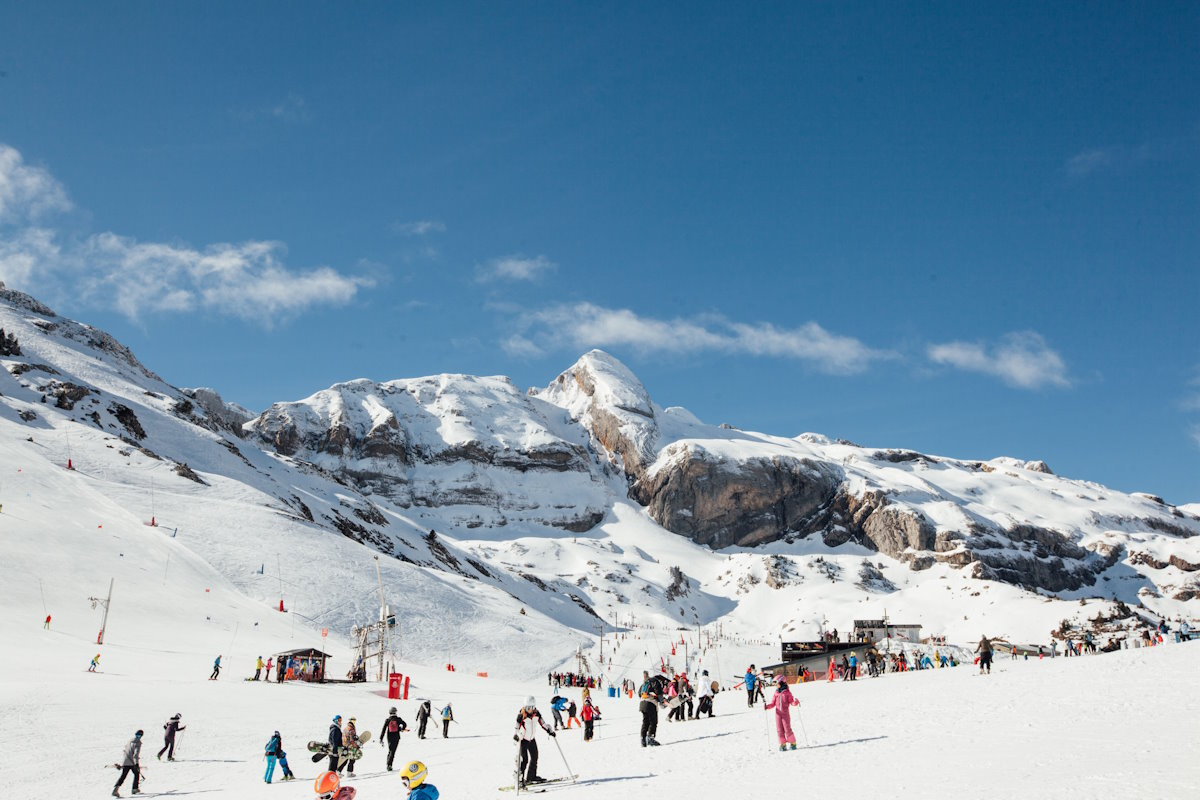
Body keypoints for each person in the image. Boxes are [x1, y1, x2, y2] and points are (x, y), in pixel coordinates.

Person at [514, 696, 556, 788]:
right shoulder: (521, 715)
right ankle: (520, 779)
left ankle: (531, 777)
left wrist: (549, 731)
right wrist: (516, 735)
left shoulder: (537, 714)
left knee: (535, 757)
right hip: (523, 740)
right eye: (528, 708)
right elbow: (516, 728)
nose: (530, 710)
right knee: (524, 760)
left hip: (531, 739)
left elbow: (543, 723)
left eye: (531, 708)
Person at [764, 675, 800, 751]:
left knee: (787, 729)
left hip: (785, 714)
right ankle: (782, 745)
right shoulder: (776, 693)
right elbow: (773, 703)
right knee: (779, 729)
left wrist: (795, 703)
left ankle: (793, 743)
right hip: (778, 714)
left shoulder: (787, 693)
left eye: (776, 683)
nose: (775, 686)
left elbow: (791, 702)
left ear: (781, 682)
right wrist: (767, 706)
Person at [112, 730, 143, 797]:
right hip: (132, 762)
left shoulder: (129, 741)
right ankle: (134, 789)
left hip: (125, 760)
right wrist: (136, 764)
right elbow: (135, 755)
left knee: (123, 776)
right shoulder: (138, 743)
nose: (138, 737)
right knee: (137, 773)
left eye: (139, 736)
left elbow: (125, 750)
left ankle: (115, 789)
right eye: (138, 735)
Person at [379, 706, 408, 771]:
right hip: (396, 736)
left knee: (390, 750)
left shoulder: (388, 720)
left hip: (389, 737)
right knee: (393, 751)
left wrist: (381, 738)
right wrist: (401, 729)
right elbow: (405, 724)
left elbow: (383, 730)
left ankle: (388, 763)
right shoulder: (398, 719)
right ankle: (389, 765)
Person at [637, 671, 661, 747]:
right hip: (650, 704)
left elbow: (639, 693)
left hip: (642, 704)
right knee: (653, 722)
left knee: (645, 722)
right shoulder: (655, 682)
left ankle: (643, 739)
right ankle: (650, 738)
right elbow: (659, 693)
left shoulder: (644, 684)